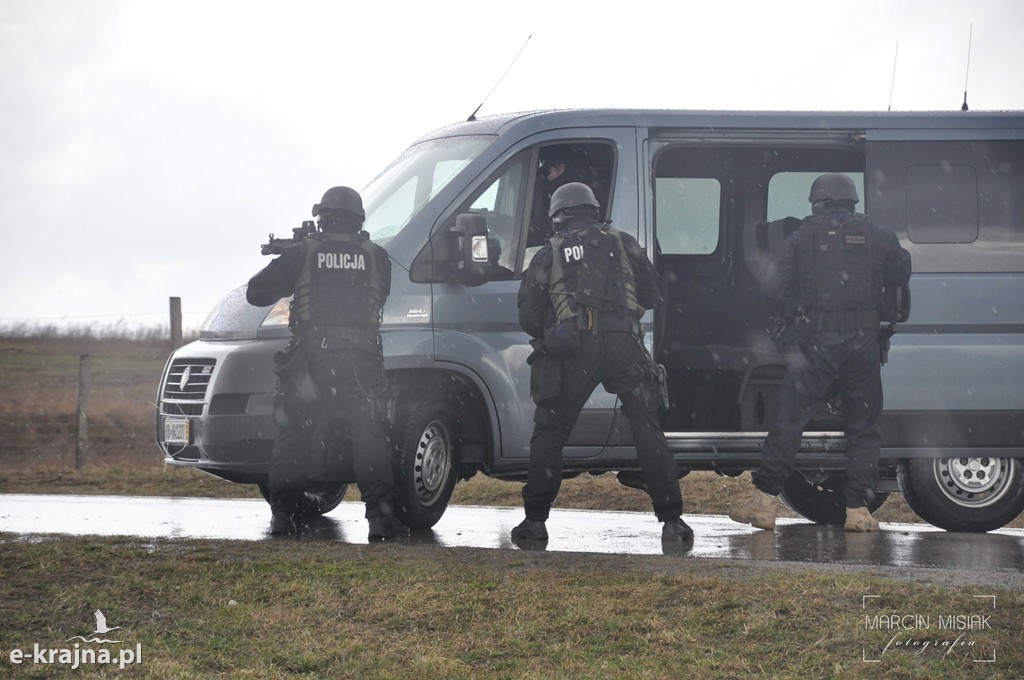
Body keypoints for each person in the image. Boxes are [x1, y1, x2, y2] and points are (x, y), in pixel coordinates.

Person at [729, 173, 912, 532]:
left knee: (790, 419)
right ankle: (858, 510)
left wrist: (799, 309)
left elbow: (775, 290)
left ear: (817, 202)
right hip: (864, 343)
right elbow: (901, 271)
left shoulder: (801, 238)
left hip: (817, 343)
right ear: (852, 201)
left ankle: (764, 503)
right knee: (863, 425)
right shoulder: (879, 236)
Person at [513, 182, 693, 544]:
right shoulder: (624, 242)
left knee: (550, 432)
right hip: (624, 345)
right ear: (594, 210)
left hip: (575, 348)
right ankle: (673, 521)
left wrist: (561, 318)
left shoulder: (548, 253)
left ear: (558, 216)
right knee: (646, 427)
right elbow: (652, 296)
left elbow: (529, 319)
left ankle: (535, 522)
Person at [246, 186, 410, 540]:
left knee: (295, 434)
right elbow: (379, 295)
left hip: (312, 359)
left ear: (323, 217)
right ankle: (380, 521)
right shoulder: (377, 256)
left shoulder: (303, 253)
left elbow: (255, 292)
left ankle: (283, 516)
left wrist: (293, 259)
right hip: (361, 358)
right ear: (358, 220)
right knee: (369, 436)